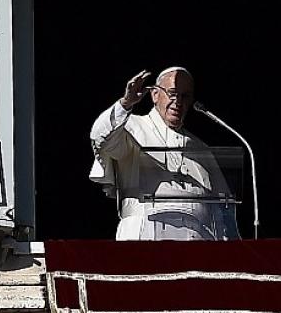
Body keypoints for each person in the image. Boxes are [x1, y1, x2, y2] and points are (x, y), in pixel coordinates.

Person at [89, 67, 239, 240]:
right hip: (146, 235)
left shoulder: (201, 148)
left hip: (198, 241)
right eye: (172, 93)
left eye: (185, 96)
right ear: (155, 94)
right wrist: (126, 103)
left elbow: (223, 207)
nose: (178, 102)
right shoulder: (131, 127)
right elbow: (100, 138)